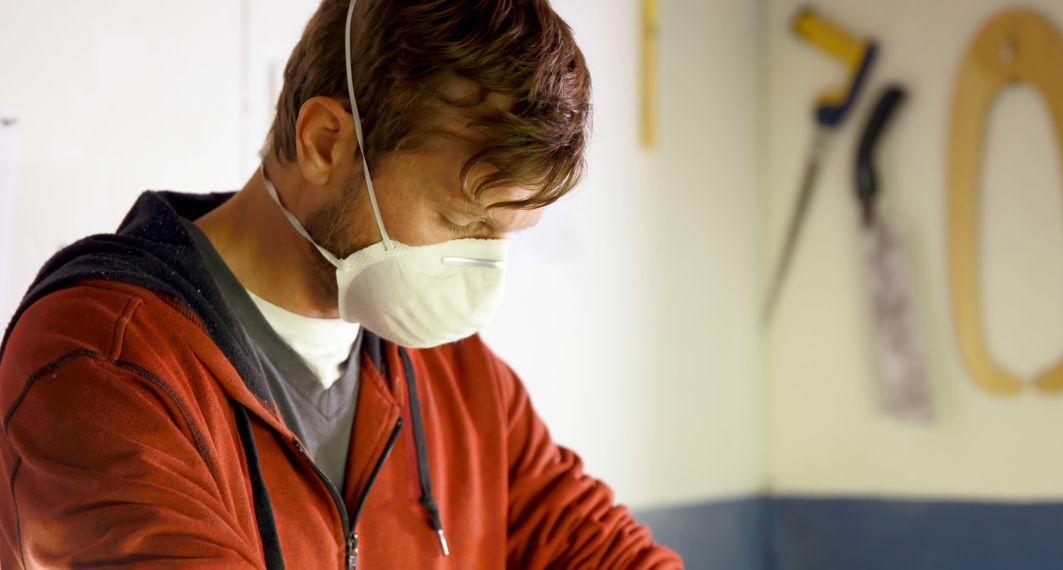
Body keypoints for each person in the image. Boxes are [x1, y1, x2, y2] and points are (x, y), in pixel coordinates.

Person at [0, 0, 683, 568]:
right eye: (459, 220)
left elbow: (601, 550)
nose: (483, 270)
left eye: (507, 234)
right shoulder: (103, 365)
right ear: (326, 142)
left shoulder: (458, 379)